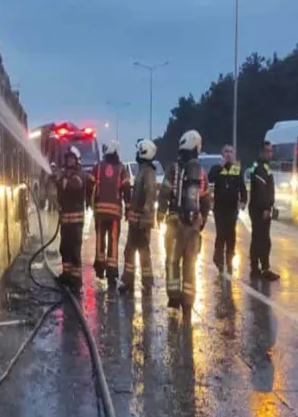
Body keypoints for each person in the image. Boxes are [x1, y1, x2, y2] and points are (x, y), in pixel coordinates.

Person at [158, 130, 210, 309]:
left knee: (173, 261)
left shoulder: (173, 169)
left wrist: (160, 212)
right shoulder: (201, 172)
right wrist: (201, 220)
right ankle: (188, 300)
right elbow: (205, 198)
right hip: (194, 226)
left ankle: (173, 296)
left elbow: (164, 192)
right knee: (190, 263)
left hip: (174, 224)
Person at [89, 140, 131, 283]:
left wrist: (89, 201)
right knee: (113, 240)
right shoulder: (121, 169)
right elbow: (126, 189)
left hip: (100, 212)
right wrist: (129, 207)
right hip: (115, 214)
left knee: (100, 239)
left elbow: (89, 183)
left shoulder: (98, 167)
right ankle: (112, 272)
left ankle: (100, 268)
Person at [120, 139, 159, 294]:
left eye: (139, 150)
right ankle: (128, 281)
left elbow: (150, 197)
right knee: (129, 251)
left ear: (144, 152)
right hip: (135, 222)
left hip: (141, 222)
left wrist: (145, 219)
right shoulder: (143, 170)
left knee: (143, 252)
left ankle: (147, 283)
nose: (137, 153)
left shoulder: (148, 172)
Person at [208, 144, 247, 273]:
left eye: (231, 151)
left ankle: (229, 258)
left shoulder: (236, 169)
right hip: (219, 208)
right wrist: (221, 166)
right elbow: (210, 178)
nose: (229, 154)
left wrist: (243, 200)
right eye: (226, 151)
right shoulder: (217, 168)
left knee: (231, 234)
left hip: (232, 208)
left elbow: (242, 186)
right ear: (222, 154)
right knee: (221, 234)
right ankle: (218, 257)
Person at [55, 147, 89, 292]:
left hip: (75, 222)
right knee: (64, 248)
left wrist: (63, 179)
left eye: (72, 158)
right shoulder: (64, 174)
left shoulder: (79, 174)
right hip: (65, 222)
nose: (69, 161)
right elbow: (59, 186)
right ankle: (66, 274)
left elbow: (76, 184)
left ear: (77, 160)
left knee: (75, 250)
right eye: (67, 158)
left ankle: (76, 280)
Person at [248, 141, 280, 281]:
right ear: (261, 152)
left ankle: (255, 267)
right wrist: (266, 208)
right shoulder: (260, 168)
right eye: (267, 151)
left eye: (271, 151)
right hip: (259, 210)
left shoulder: (263, 167)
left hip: (259, 208)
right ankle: (264, 268)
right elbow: (261, 192)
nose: (269, 154)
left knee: (258, 238)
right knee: (263, 240)